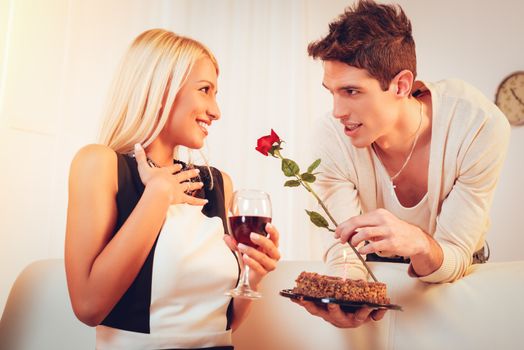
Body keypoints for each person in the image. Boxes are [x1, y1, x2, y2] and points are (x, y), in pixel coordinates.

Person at [295, 0, 510, 328]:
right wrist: (348, 299)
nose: (337, 111)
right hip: (374, 262)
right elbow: (347, 257)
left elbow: (453, 254)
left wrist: (420, 242)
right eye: (332, 92)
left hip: (455, 264)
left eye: (351, 91)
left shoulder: (478, 125)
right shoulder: (329, 137)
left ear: (401, 85)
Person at [64, 29, 281, 349]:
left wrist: (253, 275)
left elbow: (224, 321)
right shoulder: (100, 164)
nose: (216, 111)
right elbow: (88, 307)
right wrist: (157, 196)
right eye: (205, 90)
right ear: (161, 89)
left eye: (215, 94)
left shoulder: (218, 183)